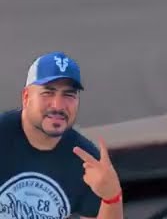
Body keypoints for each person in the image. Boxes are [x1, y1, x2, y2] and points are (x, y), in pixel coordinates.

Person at [1, 52, 123, 218]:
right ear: (26, 97)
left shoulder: (87, 161)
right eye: (48, 93)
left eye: (68, 95)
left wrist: (112, 197)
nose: (58, 105)